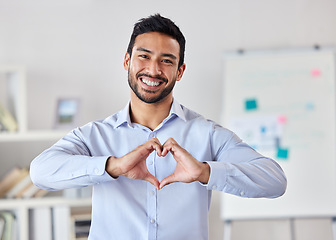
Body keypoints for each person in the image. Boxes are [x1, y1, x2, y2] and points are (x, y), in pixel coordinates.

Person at [30, 14, 287, 240]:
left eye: (166, 61)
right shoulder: (96, 135)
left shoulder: (207, 134)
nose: (153, 70)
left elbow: (275, 180)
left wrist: (205, 172)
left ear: (180, 70)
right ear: (127, 61)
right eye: (144, 56)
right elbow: (41, 171)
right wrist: (112, 166)